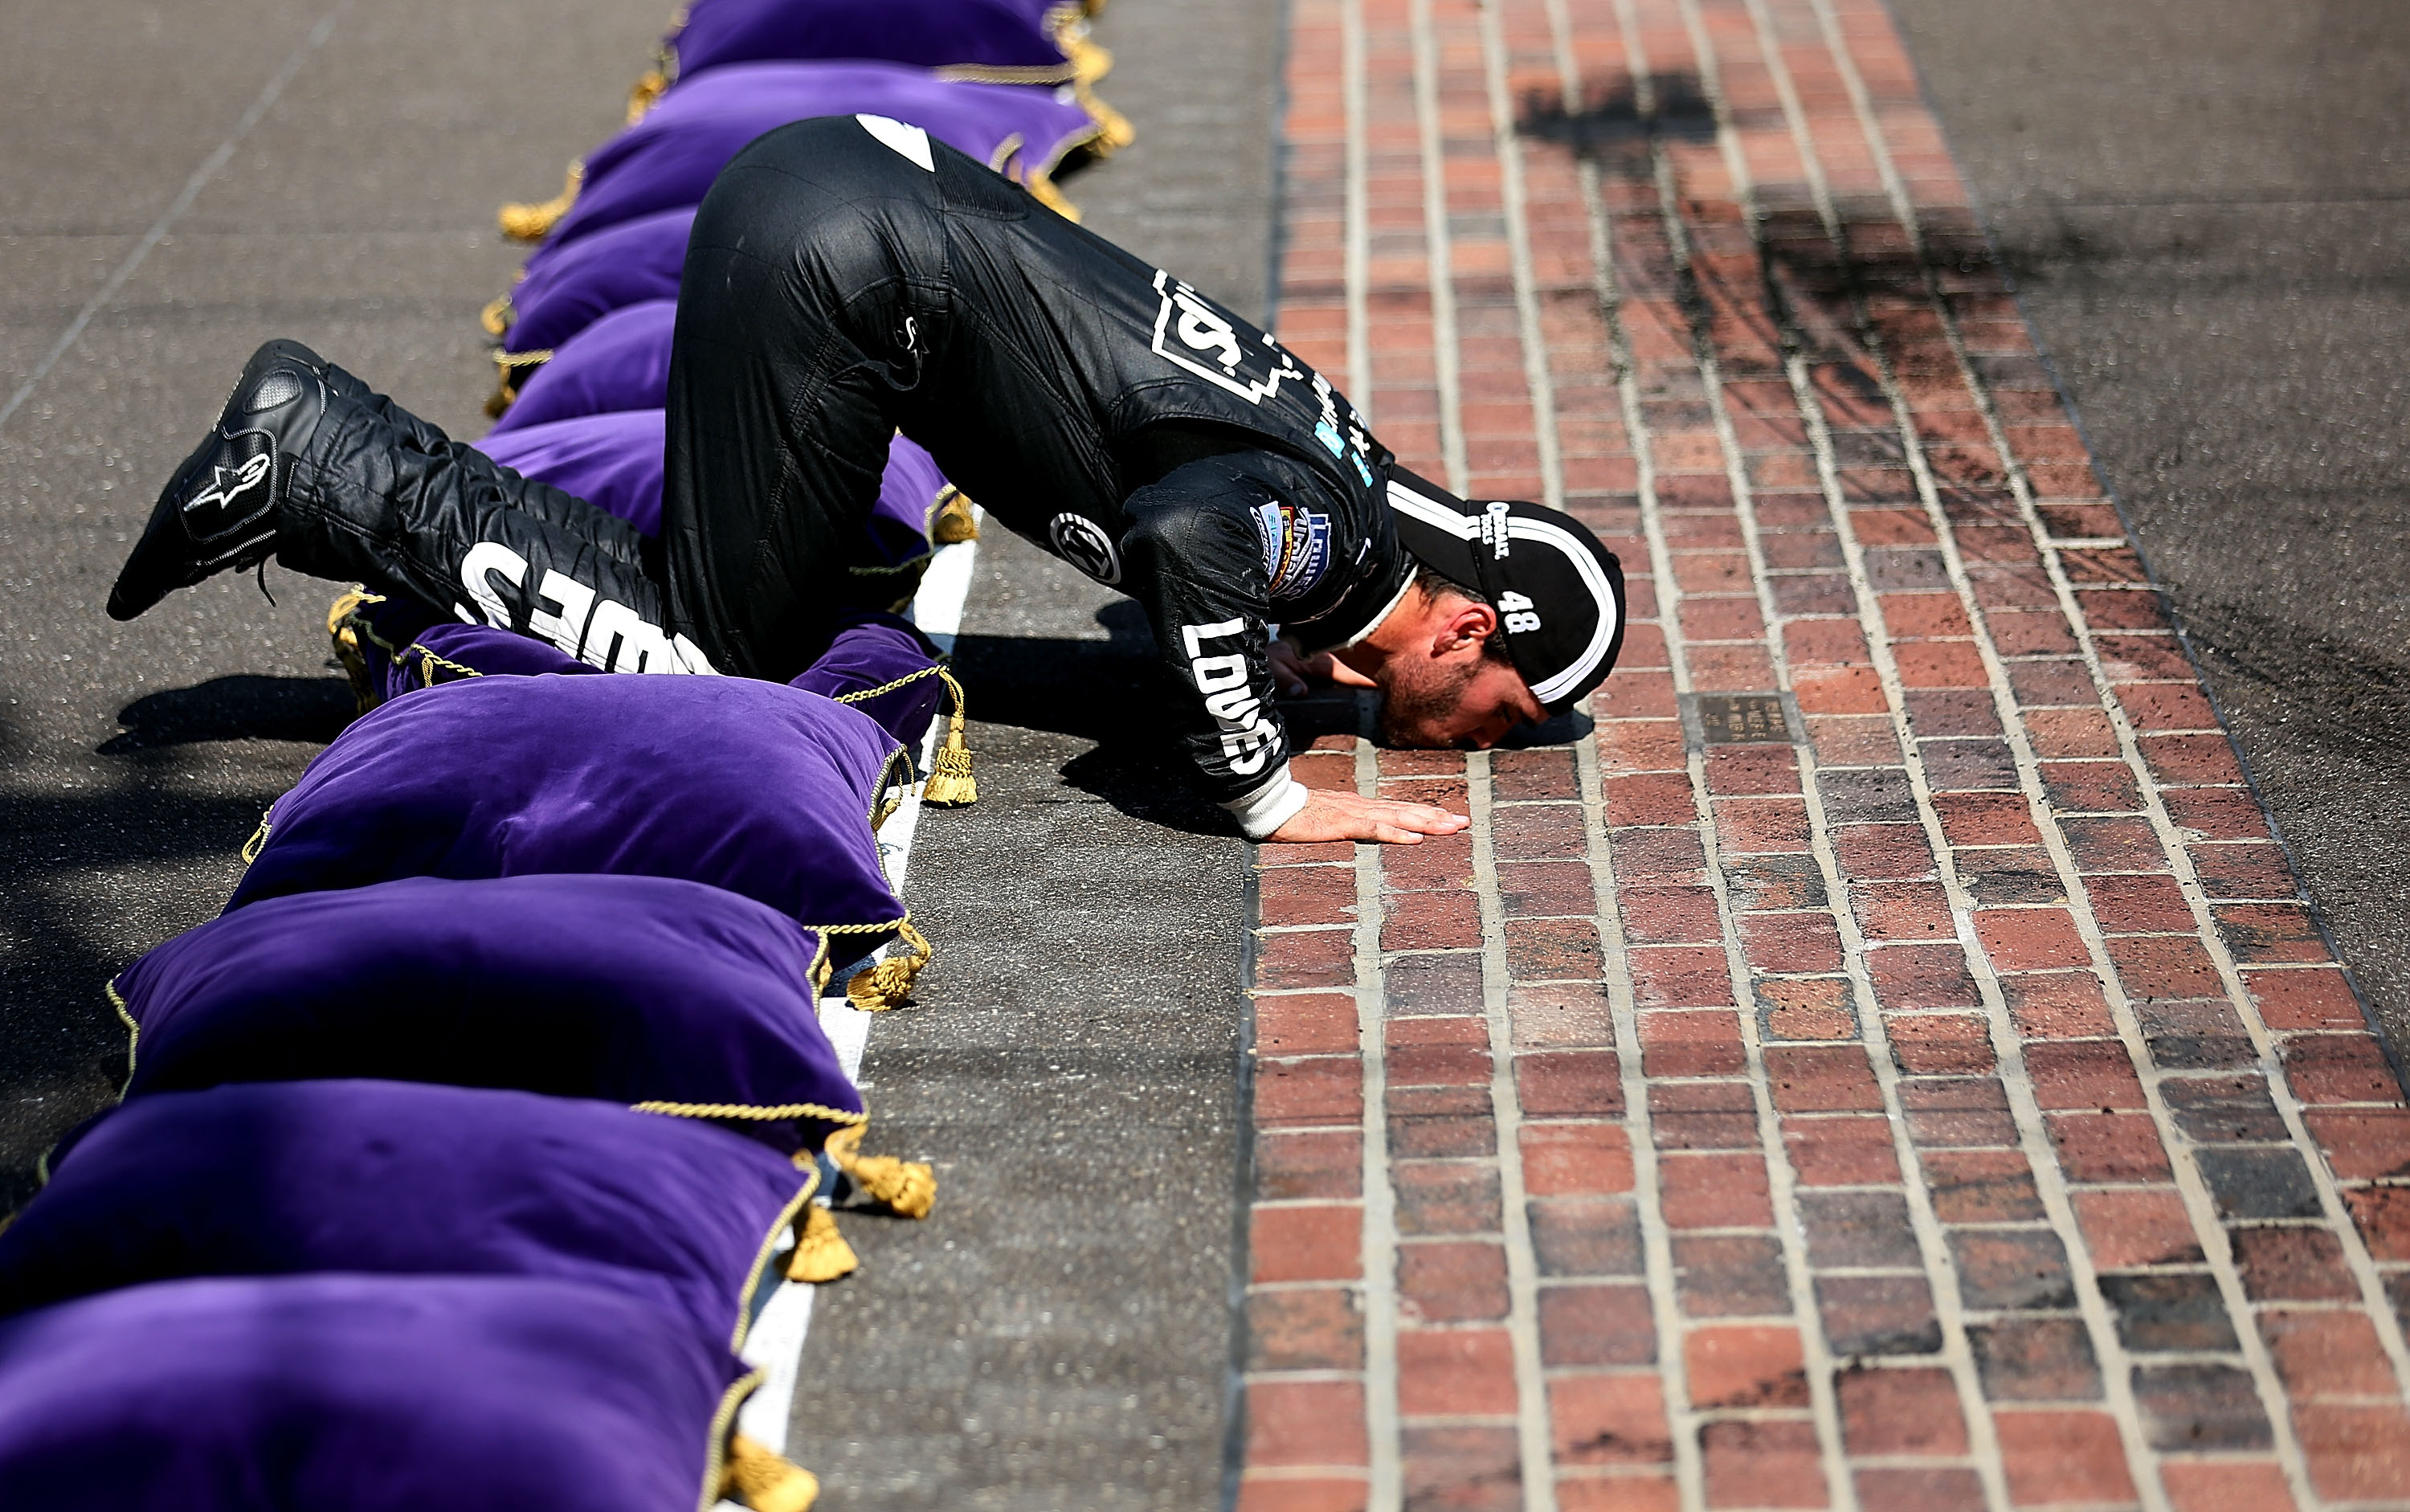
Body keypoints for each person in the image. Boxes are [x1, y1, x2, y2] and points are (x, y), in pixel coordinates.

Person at [109, 113, 1627, 846]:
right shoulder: (1335, 537)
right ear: (1469, 631)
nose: (1488, 739)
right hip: (838, 273)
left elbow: (1215, 507)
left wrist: (1292, 639)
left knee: (795, 591)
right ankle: (312, 452)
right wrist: (1272, 792)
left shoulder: (1351, 502)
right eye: (1508, 717)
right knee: (723, 651)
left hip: (844, 200)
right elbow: (1185, 535)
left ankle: (321, 475)